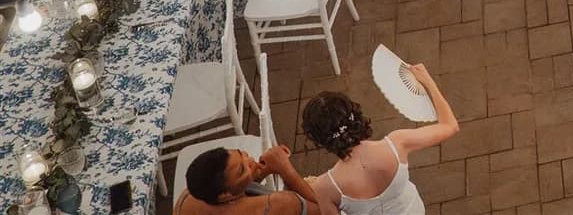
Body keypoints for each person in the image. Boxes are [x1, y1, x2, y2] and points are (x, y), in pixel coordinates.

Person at [300, 67, 459, 215]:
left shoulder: (325, 187)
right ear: (354, 115)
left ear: (320, 139)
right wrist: (428, 81)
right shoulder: (397, 143)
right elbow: (450, 126)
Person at [178, 145, 324, 214]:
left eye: (241, 153)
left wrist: (260, 173)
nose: (250, 159)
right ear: (225, 195)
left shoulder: (189, 196)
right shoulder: (279, 204)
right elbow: (324, 210)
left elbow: (237, 189)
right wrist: (286, 169)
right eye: (242, 169)